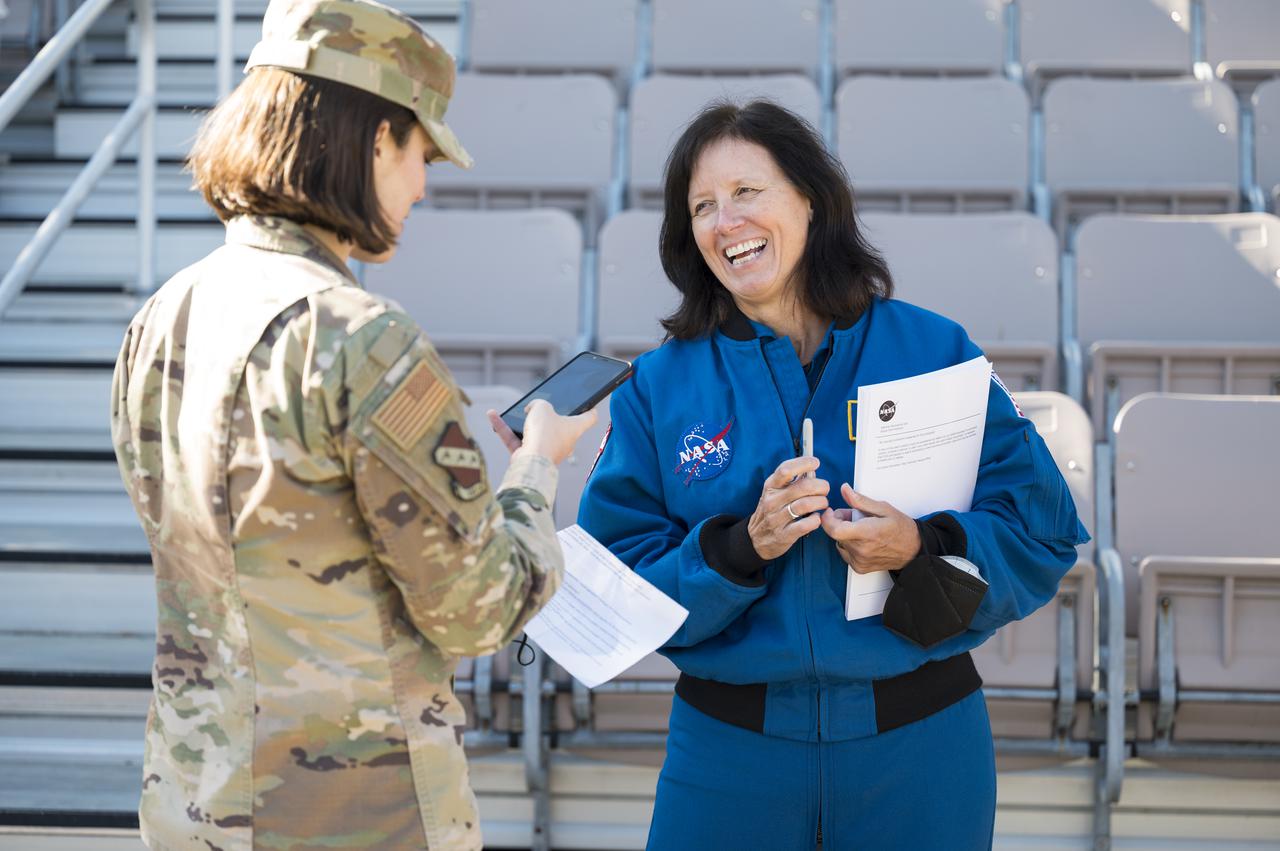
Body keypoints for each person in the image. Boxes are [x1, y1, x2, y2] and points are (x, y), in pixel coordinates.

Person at [110, 1, 596, 847]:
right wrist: (539, 468)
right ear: (376, 141)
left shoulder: (164, 313)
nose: (422, 184)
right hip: (349, 814)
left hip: (196, 797)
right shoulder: (360, 338)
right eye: (419, 152)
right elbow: (478, 609)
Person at [577, 100, 1090, 851]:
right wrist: (735, 550)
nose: (726, 222)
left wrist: (919, 545)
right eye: (703, 207)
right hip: (730, 752)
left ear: (810, 200)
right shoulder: (660, 384)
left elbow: (1041, 531)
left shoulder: (934, 347)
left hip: (920, 748)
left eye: (747, 192)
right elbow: (611, 578)